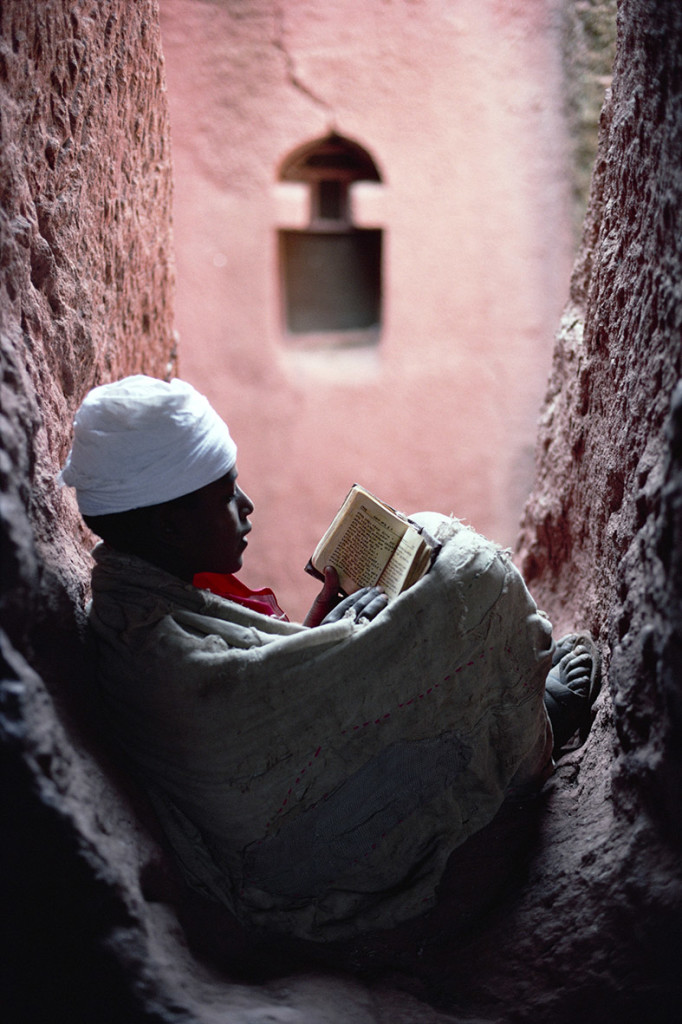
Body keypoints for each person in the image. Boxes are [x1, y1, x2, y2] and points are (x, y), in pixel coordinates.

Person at [60, 375, 600, 943]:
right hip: (294, 856)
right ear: (169, 525)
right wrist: (338, 645)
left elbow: (263, 694)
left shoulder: (144, 596)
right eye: (225, 496)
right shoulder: (146, 644)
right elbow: (252, 742)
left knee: (423, 550)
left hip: (288, 822)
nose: (246, 507)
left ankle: (508, 707)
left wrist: (319, 635)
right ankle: (527, 737)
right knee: (470, 571)